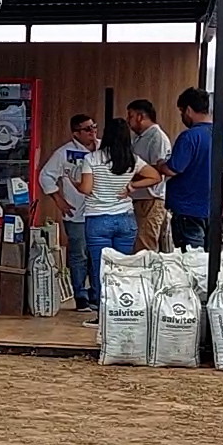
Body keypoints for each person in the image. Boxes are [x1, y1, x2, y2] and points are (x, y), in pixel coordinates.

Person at [78, 118, 162, 323]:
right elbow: (156, 176)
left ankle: (103, 315)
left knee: (101, 268)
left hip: (98, 220)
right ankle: (121, 310)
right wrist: (132, 187)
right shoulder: (132, 159)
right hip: (126, 219)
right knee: (122, 267)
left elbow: (86, 189)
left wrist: (74, 183)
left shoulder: (92, 158)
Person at [38, 114, 97, 310]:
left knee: (96, 254)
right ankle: (80, 295)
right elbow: (45, 176)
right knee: (78, 254)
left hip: (100, 211)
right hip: (76, 211)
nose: (92, 132)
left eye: (94, 127)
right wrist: (58, 200)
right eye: (87, 129)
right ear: (76, 133)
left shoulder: (103, 148)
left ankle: (96, 294)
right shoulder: (64, 153)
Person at [158, 88, 214, 250]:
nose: (182, 116)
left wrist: (160, 164)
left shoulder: (189, 137)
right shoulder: (222, 137)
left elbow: (173, 169)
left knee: (190, 259)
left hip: (187, 208)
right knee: (206, 259)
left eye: (182, 112)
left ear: (188, 110)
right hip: (210, 207)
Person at [125, 99, 172, 252]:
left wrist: (132, 176)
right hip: (136, 197)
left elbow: (158, 169)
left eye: (130, 116)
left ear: (140, 117)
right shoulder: (136, 138)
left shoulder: (157, 137)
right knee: (135, 242)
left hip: (151, 197)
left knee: (145, 244)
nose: (128, 120)